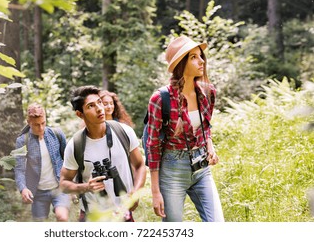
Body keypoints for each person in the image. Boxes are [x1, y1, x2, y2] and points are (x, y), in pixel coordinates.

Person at [146, 35, 224, 222]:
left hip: (201, 167)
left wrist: (209, 146)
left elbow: (206, 125)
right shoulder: (160, 99)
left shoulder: (207, 92)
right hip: (172, 170)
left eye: (201, 56)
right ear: (181, 63)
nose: (201, 61)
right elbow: (153, 147)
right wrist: (155, 192)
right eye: (194, 57)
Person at [60, 85, 146, 222]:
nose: (99, 108)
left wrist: (135, 193)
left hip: (123, 213)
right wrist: (86, 187)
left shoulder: (124, 132)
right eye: (91, 106)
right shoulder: (75, 145)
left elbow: (140, 165)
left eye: (99, 102)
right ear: (79, 114)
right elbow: (64, 183)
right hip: (92, 216)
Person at [14, 103, 70, 221]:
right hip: (38, 192)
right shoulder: (22, 141)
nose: (41, 128)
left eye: (43, 123)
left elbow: (68, 160)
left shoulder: (57, 134)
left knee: (62, 217)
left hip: (59, 188)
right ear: (29, 122)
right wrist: (23, 188)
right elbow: (19, 168)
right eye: (36, 125)